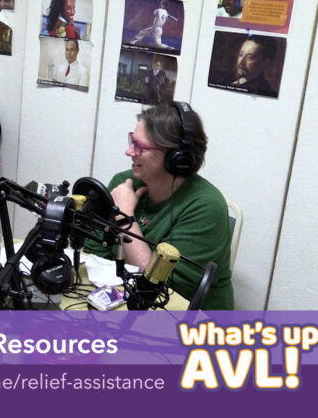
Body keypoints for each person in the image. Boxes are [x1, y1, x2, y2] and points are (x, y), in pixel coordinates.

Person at [84, 102, 233, 310]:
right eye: (131, 141)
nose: (129, 151)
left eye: (139, 146)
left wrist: (125, 216)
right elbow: (94, 253)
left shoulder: (207, 207)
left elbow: (162, 290)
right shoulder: (124, 183)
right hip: (127, 304)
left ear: (175, 157)